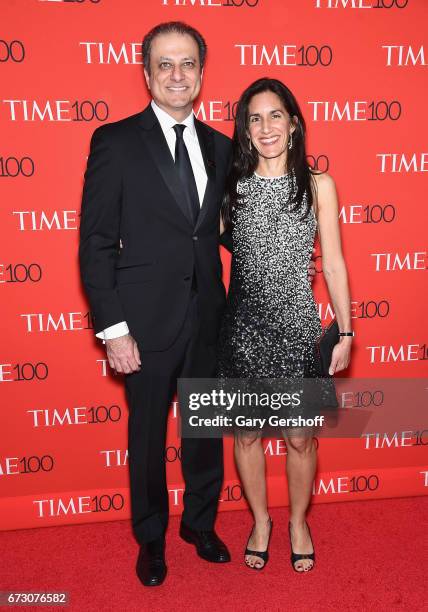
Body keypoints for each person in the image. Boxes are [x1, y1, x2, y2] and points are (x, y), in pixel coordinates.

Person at [79, 22, 233, 587]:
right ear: (146, 74)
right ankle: (151, 539)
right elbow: (95, 242)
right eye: (164, 64)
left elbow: (222, 230)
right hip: (143, 322)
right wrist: (113, 328)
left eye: (187, 63)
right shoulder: (115, 142)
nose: (176, 74)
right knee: (146, 437)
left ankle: (200, 524)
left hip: (208, 316)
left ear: (200, 73)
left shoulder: (221, 146)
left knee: (204, 431)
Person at [217, 78, 352, 573]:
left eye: (276, 115)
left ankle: (297, 522)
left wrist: (346, 331)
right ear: (244, 129)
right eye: (255, 118)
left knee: (300, 438)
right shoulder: (230, 185)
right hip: (244, 331)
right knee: (247, 436)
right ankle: (260, 521)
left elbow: (333, 264)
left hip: (297, 330)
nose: (266, 126)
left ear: (294, 124)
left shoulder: (319, 185)